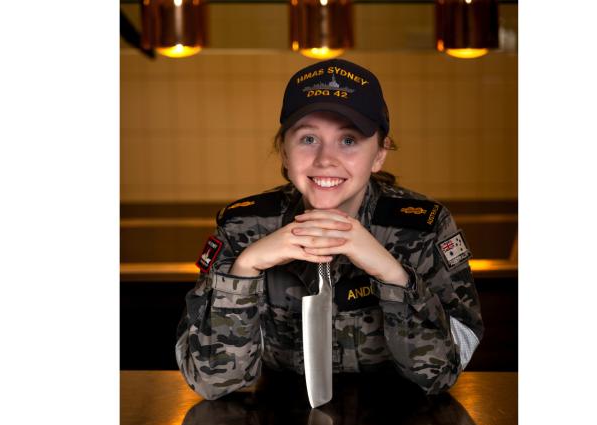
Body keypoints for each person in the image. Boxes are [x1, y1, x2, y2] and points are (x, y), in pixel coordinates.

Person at [176, 58, 483, 401]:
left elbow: (440, 375)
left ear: (379, 154)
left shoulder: (425, 228)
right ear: (284, 152)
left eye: (348, 140)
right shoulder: (242, 226)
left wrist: (392, 274)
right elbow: (211, 382)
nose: (325, 159)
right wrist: (245, 268)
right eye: (308, 138)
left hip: (401, 417)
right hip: (277, 416)